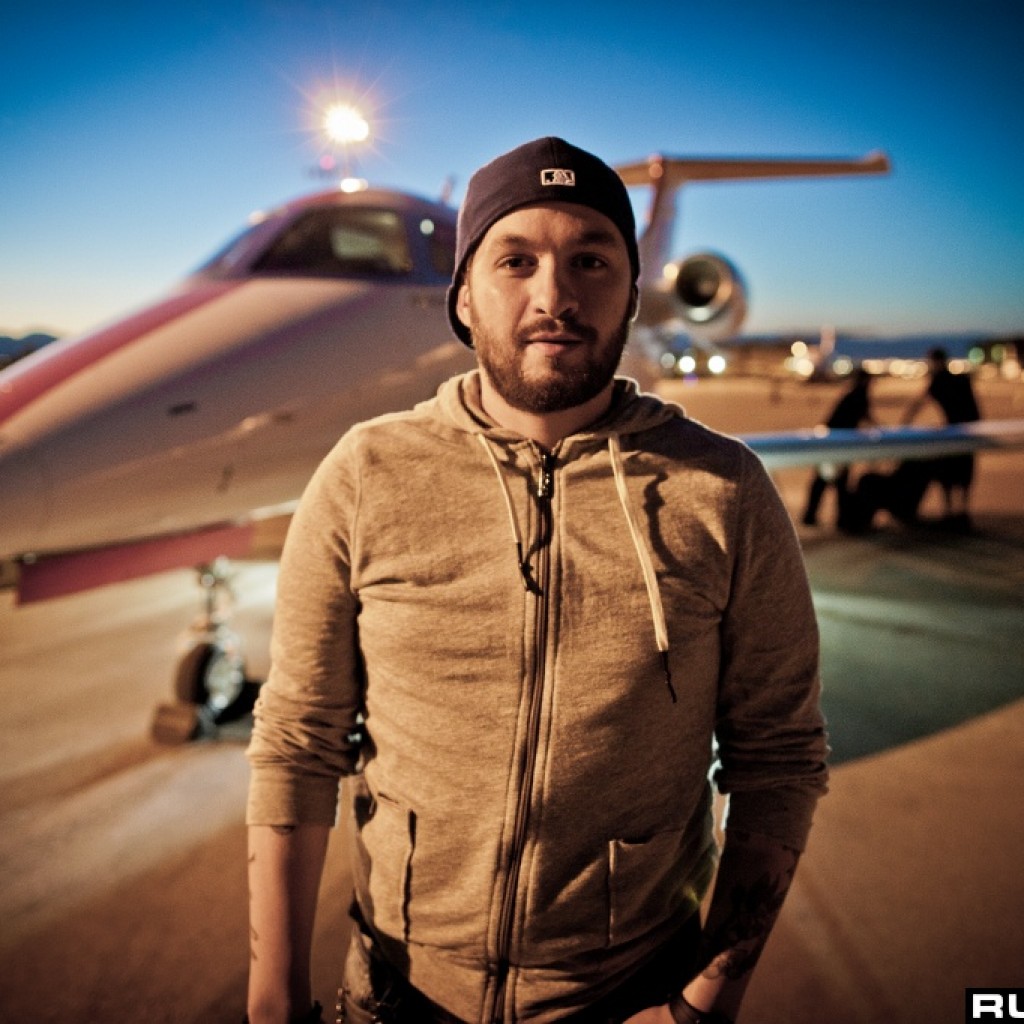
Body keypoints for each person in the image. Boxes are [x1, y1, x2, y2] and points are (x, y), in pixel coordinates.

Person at [246, 137, 828, 1024]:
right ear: (464, 296)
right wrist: (272, 998)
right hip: (399, 993)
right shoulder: (365, 475)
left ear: (634, 293)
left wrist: (703, 1006)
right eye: (515, 261)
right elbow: (297, 740)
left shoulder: (724, 489)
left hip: (631, 992)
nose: (553, 296)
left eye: (591, 261)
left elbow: (780, 757)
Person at [902, 347, 981, 524]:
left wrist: (904, 424)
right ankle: (962, 512)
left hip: (953, 433)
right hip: (968, 432)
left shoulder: (938, 381)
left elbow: (918, 404)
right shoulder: (961, 379)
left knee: (948, 475)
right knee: (964, 475)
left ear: (936, 361)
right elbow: (973, 408)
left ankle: (950, 512)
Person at [801, 367, 876, 527]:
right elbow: (865, 419)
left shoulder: (852, 394)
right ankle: (836, 518)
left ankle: (814, 515)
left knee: (827, 480)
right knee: (834, 480)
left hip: (833, 441)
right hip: (837, 444)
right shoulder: (858, 396)